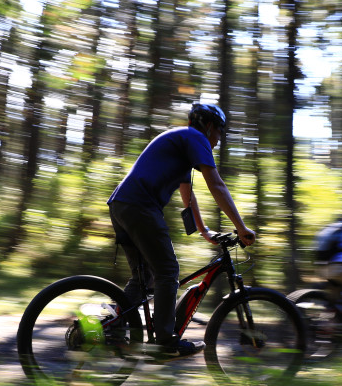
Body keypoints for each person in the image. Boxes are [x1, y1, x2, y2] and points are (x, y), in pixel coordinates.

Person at [108, 103, 256, 358]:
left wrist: (204, 231)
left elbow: (188, 197)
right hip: (140, 206)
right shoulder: (195, 137)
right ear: (209, 126)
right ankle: (165, 342)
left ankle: (113, 329)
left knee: (144, 276)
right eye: (219, 132)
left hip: (122, 205)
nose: (219, 139)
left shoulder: (182, 143)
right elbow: (216, 185)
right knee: (167, 270)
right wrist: (241, 227)